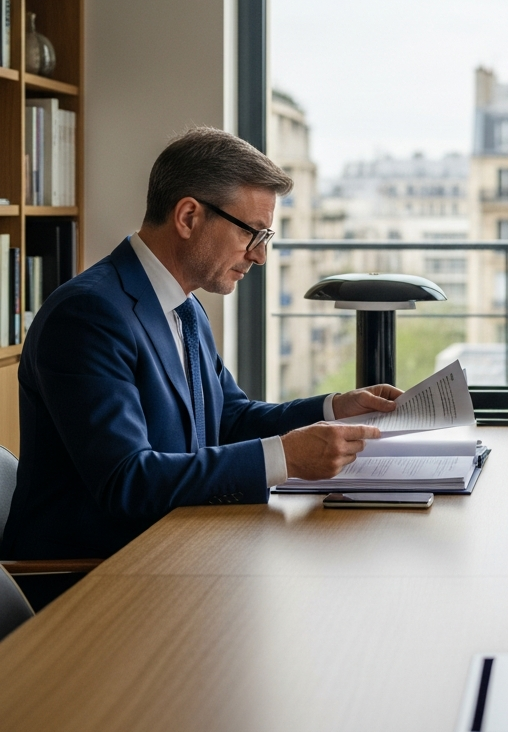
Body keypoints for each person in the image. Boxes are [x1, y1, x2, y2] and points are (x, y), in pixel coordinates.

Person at [2, 127, 400, 561]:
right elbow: (127, 480)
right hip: (89, 577)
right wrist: (284, 458)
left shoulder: (184, 306)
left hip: (174, 549)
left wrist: (334, 409)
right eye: (253, 232)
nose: (259, 256)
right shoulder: (86, 315)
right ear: (189, 217)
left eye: (265, 238)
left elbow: (227, 420)